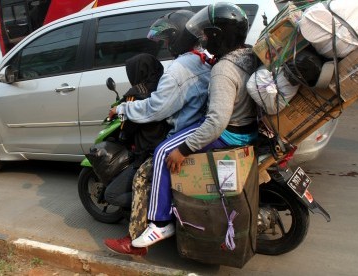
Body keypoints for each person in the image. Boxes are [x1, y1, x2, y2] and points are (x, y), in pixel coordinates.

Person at [131, 2, 260, 248]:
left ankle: (159, 224)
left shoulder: (223, 69)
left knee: (162, 153)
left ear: (220, 37)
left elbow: (216, 122)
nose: (203, 38)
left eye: (208, 34)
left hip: (228, 133)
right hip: (246, 129)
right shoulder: (247, 54)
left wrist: (184, 149)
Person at [104, 9, 212, 256]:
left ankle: (135, 240)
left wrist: (123, 108)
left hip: (181, 132)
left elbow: (155, 109)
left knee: (143, 177)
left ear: (179, 37)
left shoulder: (178, 69)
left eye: (166, 39)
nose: (165, 44)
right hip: (196, 126)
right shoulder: (202, 58)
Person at [103, 53, 170, 210]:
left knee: (111, 195)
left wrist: (121, 135)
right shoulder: (163, 88)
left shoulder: (135, 93)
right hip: (165, 145)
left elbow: (127, 127)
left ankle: (155, 200)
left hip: (146, 153)